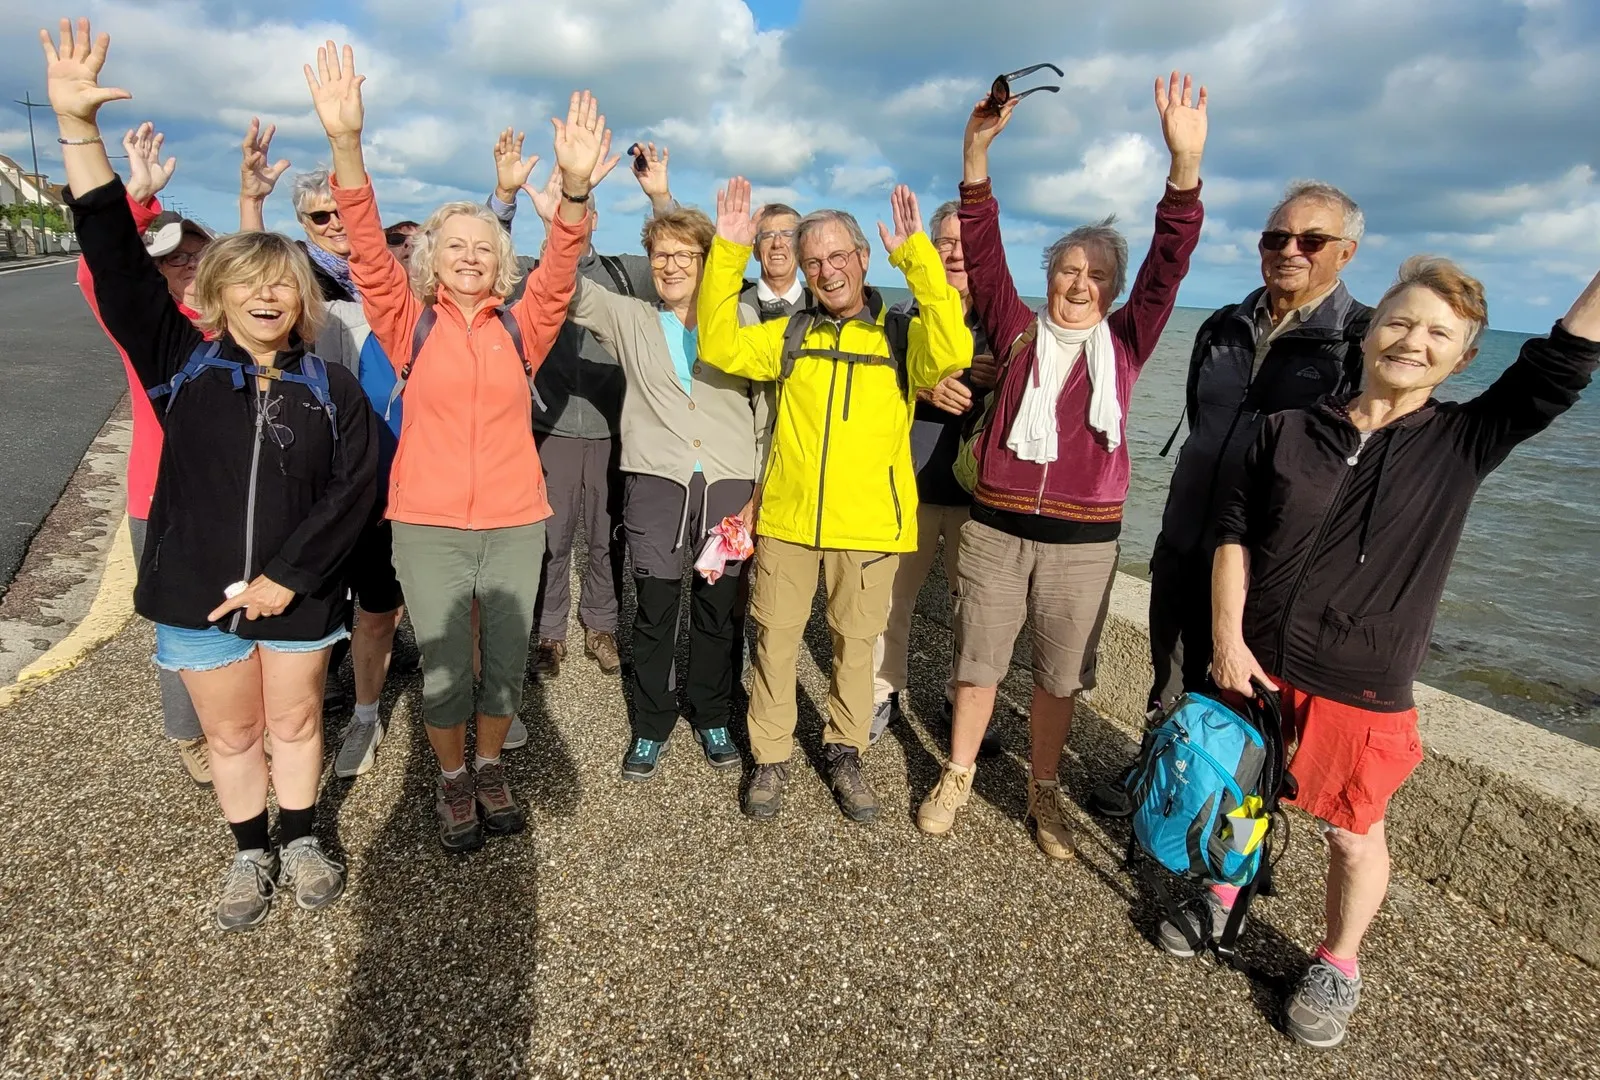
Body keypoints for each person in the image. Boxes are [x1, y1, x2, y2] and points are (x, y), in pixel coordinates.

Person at [1197, 257, 1599, 1048]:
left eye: (1439, 334)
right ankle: (1224, 892)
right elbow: (1233, 533)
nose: (1414, 341)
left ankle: (1337, 963)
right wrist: (1226, 638)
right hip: (1258, 665)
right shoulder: (1287, 430)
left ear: (1463, 358)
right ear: (1369, 330)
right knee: (1244, 798)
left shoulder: (1465, 440)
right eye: (1401, 321)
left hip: (1363, 683)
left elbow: (1560, 364)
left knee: (1352, 834)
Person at [49, 17, 379, 929]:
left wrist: (288, 577)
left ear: (301, 297)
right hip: (195, 590)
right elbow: (116, 264)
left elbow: (353, 491)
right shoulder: (180, 365)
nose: (268, 295)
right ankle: (249, 851)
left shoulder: (332, 387)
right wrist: (78, 130)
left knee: (296, 724)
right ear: (218, 295)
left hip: (298, 593)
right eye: (249, 282)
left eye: (283, 283)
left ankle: (302, 835)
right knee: (232, 733)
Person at [309, 40, 602, 852]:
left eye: (484, 247)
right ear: (432, 259)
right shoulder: (408, 321)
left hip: (513, 522)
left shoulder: (522, 326)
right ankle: (451, 778)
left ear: (499, 261)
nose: (470, 256)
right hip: (429, 525)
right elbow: (367, 249)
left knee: (503, 667)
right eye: (456, 246)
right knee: (445, 671)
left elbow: (561, 267)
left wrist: (575, 189)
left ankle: (492, 765)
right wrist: (345, 143)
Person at [914, 72, 1208, 858]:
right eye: (1068, 269)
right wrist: (975, 153)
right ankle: (958, 773)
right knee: (976, 665)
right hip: (996, 534)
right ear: (1048, 276)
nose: (1081, 283)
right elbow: (981, 247)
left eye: (1097, 274)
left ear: (1113, 289)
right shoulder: (1014, 328)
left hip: (1084, 545)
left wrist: (1183, 169)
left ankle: (1043, 791)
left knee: (1058, 677)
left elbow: (1169, 265)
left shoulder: (1127, 344)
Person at [1091, 178, 1373, 817]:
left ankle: (1222, 812)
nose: (1289, 250)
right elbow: (1203, 423)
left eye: (1311, 240)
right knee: (1169, 670)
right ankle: (1158, 772)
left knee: (1244, 691)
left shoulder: (1357, 340)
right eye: (1276, 237)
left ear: (1345, 252)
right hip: (1186, 531)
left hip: (1268, 559)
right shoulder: (1224, 326)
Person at [698, 178, 972, 823]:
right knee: (774, 643)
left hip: (870, 527)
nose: (827, 271)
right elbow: (717, 343)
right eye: (813, 261)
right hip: (789, 522)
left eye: (838, 256)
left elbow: (954, 349)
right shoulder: (789, 334)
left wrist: (919, 257)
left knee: (855, 648)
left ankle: (845, 751)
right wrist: (728, 253)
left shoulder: (901, 337)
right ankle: (770, 756)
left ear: (863, 258)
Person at [564, 205, 768, 780]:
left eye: (684, 255)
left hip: (728, 486)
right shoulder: (631, 317)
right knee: (654, 611)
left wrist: (757, 490)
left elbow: (764, 408)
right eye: (660, 255)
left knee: (717, 610)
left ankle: (711, 713)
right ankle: (652, 722)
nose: (671, 265)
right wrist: (570, 213)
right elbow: (566, 289)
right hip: (656, 486)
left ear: (707, 261)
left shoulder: (741, 317)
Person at [239, 115, 407, 780]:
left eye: (343, 211)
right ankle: (298, 715)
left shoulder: (390, 277)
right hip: (317, 467)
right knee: (312, 596)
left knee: (377, 602)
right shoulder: (296, 280)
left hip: (384, 470)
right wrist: (250, 201)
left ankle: (359, 702)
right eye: (319, 216)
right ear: (302, 224)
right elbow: (246, 275)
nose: (335, 223)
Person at [489, 134, 675, 683]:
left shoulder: (625, 274)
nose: (572, 218)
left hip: (615, 431)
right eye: (563, 210)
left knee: (607, 537)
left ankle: (601, 626)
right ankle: (549, 633)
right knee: (548, 540)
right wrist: (504, 198)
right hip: (547, 429)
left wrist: (660, 198)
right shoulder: (528, 272)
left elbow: (684, 258)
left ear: (592, 218)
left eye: (580, 209)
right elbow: (483, 256)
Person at [73, 119, 212, 786]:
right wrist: (136, 199)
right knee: (179, 622)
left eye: (199, 255)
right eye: (174, 259)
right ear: (153, 273)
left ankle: (238, 724)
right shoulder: (149, 333)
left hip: (231, 495)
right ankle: (190, 734)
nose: (190, 267)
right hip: (159, 493)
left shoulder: (238, 324)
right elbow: (97, 273)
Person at [869, 198, 996, 746]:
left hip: (979, 498)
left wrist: (1001, 375)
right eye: (944, 242)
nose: (954, 253)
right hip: (911, 487)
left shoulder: (1004, 323)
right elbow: (875, 385)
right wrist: (922, 387)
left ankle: (960, 702)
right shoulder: (901, 316)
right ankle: (881, 694)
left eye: (965, 243)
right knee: (891, 601)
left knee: (974, 612)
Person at [738, 203, 811, 324]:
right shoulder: (734, 304)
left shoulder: (822, 307)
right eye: (767, 236)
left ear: (801, 249)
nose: (777, 244)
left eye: (787, 235)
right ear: (755, 251)